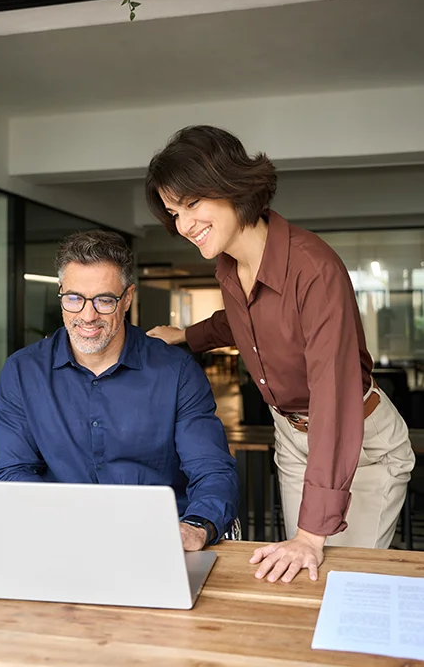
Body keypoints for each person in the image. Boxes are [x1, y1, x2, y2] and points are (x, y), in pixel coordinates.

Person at [145, 125, 415, 582]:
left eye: (191, 204)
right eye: (173, 211)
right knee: (301, 579)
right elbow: (242, 320)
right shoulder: (229, 265)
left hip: (359, 439)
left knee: (338, 580)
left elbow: (334, 397)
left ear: (231, 185)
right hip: (292, 436)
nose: (182, 225)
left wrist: (312, 532)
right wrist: (186, 336)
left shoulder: (314, 269)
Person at [0, 229, 238, 551]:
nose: (88, 315)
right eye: (74, 298)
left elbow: (211, 469)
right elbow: (12, 471)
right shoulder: (23, 371)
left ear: (128, 298)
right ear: (62, 293)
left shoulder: (176, 371)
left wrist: (196, 526)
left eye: (105, 300)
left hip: (158, 542)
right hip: (61, 539)